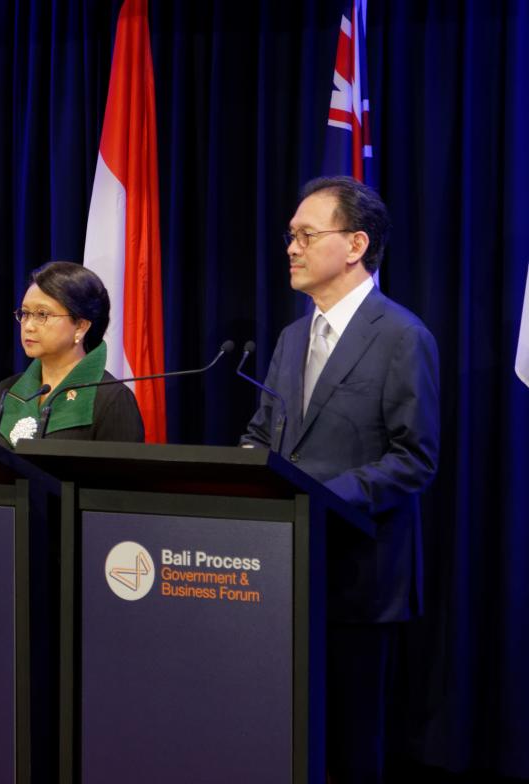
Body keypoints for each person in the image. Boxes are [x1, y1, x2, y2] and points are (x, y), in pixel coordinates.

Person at [241, 176, 440, 783]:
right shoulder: (292, 335)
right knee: (285, 738)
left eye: (306, 235)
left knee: (351, 744)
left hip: (359, 576)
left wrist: (318, 497)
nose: (292, 248)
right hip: (282, 568)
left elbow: (414, 457)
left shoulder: (403, 335)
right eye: (290, 236)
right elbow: (261, 432)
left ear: (355, 244)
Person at [0, 261, 144, 446]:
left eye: (43, 315)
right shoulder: (8, 391)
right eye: (25, 313)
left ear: (81, 326)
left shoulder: (111, 398)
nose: (29, 326)